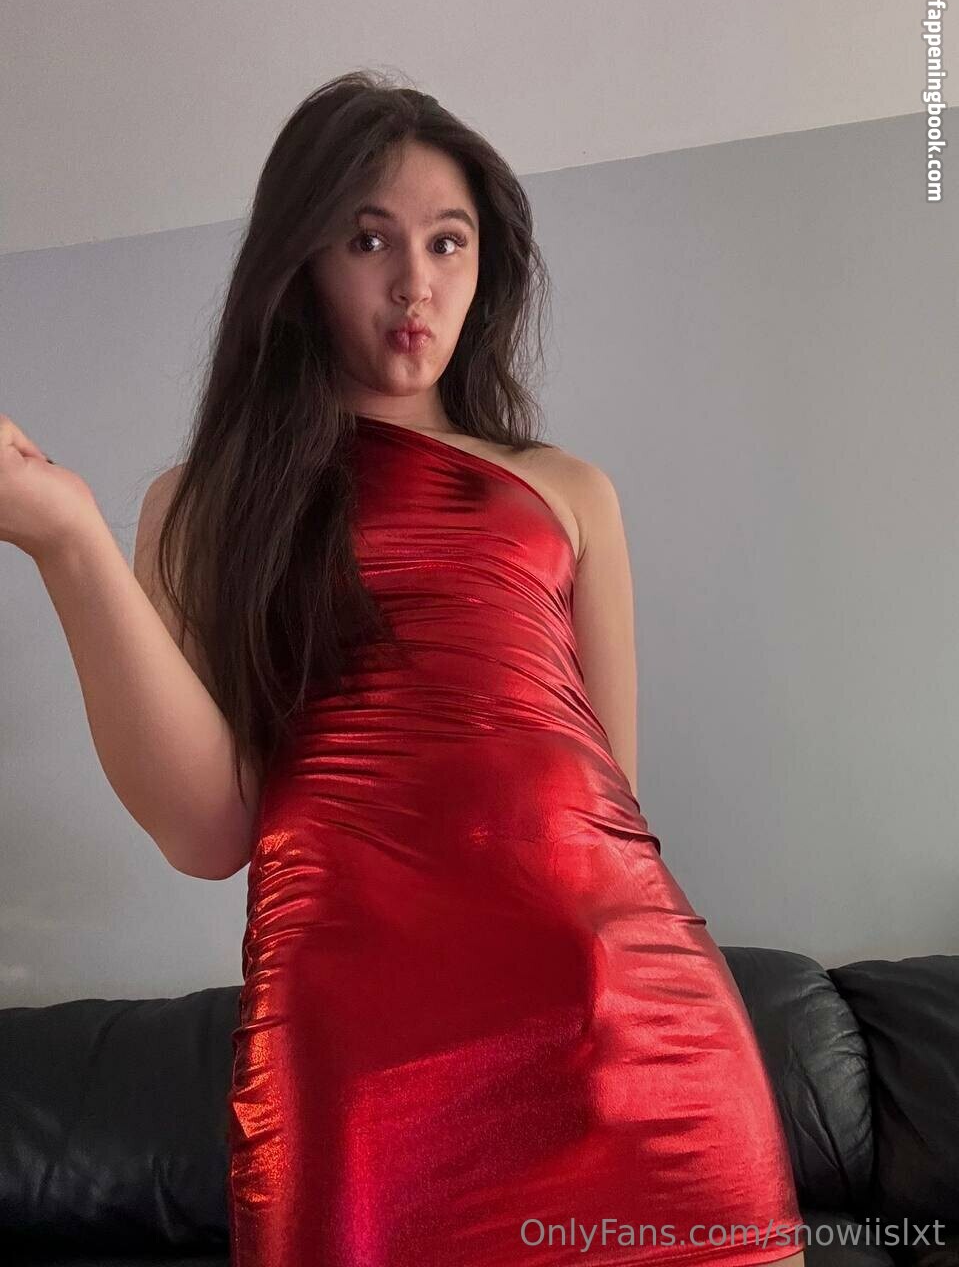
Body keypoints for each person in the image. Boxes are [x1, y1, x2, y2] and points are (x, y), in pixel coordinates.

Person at [1, 72, 808, 1267]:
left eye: (447, 240)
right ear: (298, 264)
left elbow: (609, 806)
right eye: (367, 239)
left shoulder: (568, 489)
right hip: (357, 1063)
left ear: (488, 264)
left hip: (628, 1024)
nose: (414, 281)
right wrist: (65, 539)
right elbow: (207, 827)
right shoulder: (208, 501)